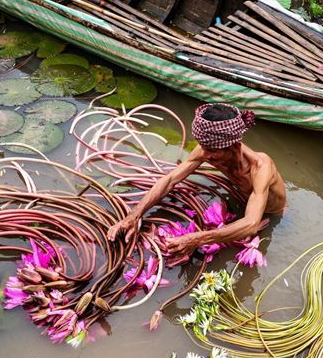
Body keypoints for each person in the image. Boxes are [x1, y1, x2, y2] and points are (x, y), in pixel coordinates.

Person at [106, 103, 286, 260]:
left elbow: (251, 224)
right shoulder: (208, 149)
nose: (205, 155)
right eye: (204, 148)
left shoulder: (261, 168)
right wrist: (134, 216)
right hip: (247, 202)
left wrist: (195, 238)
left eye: (211, 151)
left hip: (273, 214)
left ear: (235, 147)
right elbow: (169, 180)